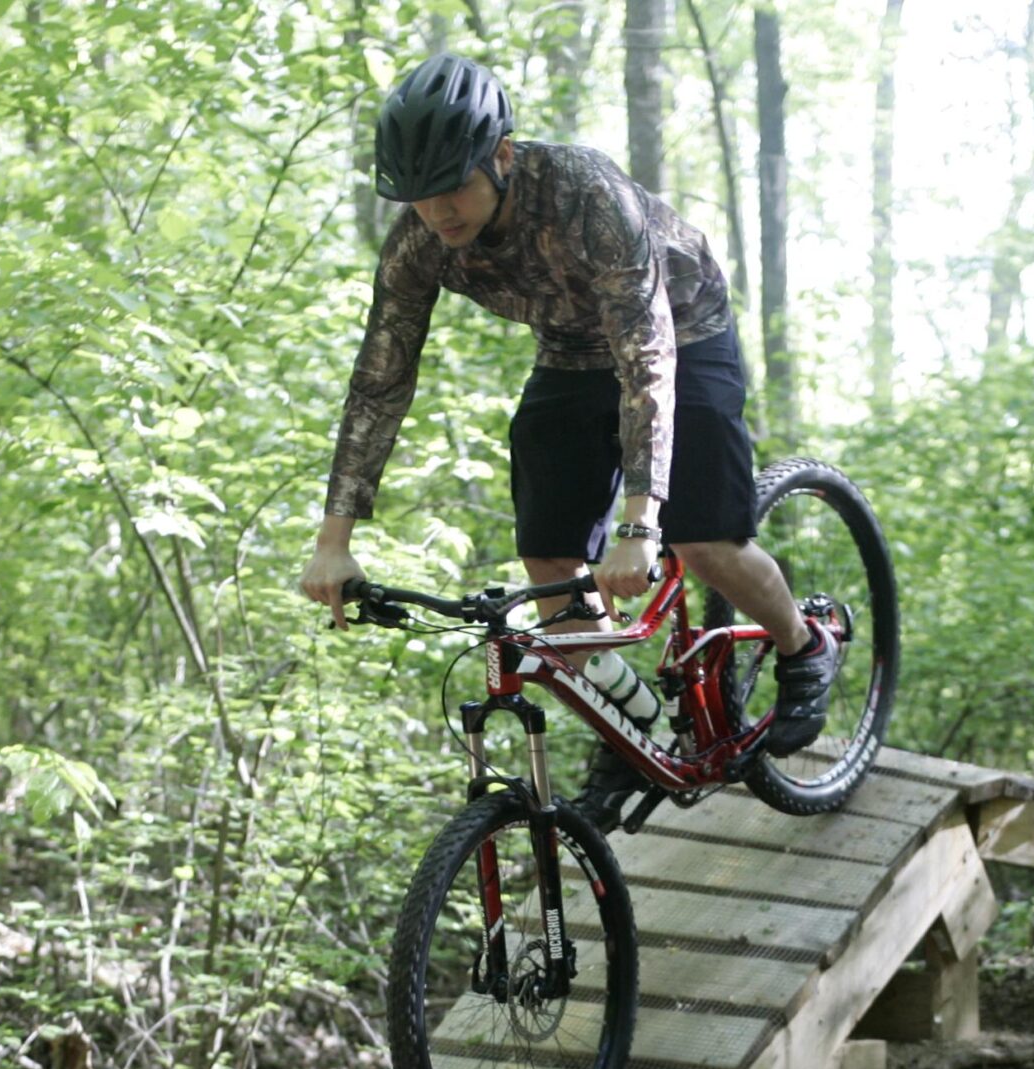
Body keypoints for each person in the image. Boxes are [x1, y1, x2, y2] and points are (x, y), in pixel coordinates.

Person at [297, 51, 839, 831]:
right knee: (549, 558)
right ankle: (625, 726)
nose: (439, 212)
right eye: (420, 198)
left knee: (705, 538)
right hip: (570, 350)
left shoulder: (586, 193)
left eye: (455, 186)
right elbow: (382, 377)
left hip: (681, 332)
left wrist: (640, 520)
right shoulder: (419, 243)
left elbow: (648, 358)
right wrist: (334, 540)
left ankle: (801, 644)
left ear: (503, 156)